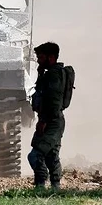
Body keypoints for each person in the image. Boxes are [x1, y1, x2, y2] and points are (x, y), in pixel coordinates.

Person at [28, 41, 66, 190]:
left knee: (35, 155)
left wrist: (43, 120)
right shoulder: (49, 74)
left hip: (52, 121)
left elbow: (54, 102)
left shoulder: (54, 76)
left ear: (51, 58)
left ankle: (41, 186)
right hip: (53, 120)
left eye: (41, 57)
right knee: (51, 156)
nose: (38, 60)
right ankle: (55, 188)